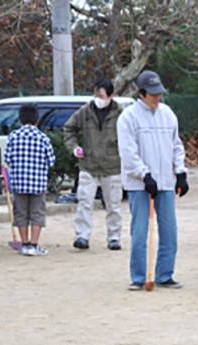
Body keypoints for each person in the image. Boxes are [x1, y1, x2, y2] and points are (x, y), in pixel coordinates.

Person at [118, 70, 189, 290]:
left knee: (170, 232)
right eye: (153, 94)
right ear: (141, 93)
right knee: (140, 232)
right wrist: (144, 174)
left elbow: (176, 145)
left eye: (159, 93)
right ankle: (139, 277)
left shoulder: (168, 114)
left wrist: (181, 172)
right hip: (140, 185)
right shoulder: (128, 117)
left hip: (166, 183)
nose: (158, 97)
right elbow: (128, 152)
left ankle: (165, 274)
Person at [63, 78, 124, 251]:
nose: (98, 99)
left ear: (111, 96)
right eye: (96, 94)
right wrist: (74, 147)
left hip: (112, 165)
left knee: (113, 204)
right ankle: (82, 236)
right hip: (88, 164)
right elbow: (68, 129)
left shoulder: (120, 113)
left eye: (101, 95)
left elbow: (131, 135)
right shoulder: (85, 111)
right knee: (84, 202)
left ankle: (114, 237)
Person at [4, 103, 56, 257]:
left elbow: (7, 159)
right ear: (37, 119)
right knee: (37, 214)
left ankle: (25, 244)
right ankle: (34, 244)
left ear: (20, 119)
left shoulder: (13, 137)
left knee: (21, 214)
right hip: (38, 184)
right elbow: (51, 161)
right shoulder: (43, 138)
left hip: (19, 183)